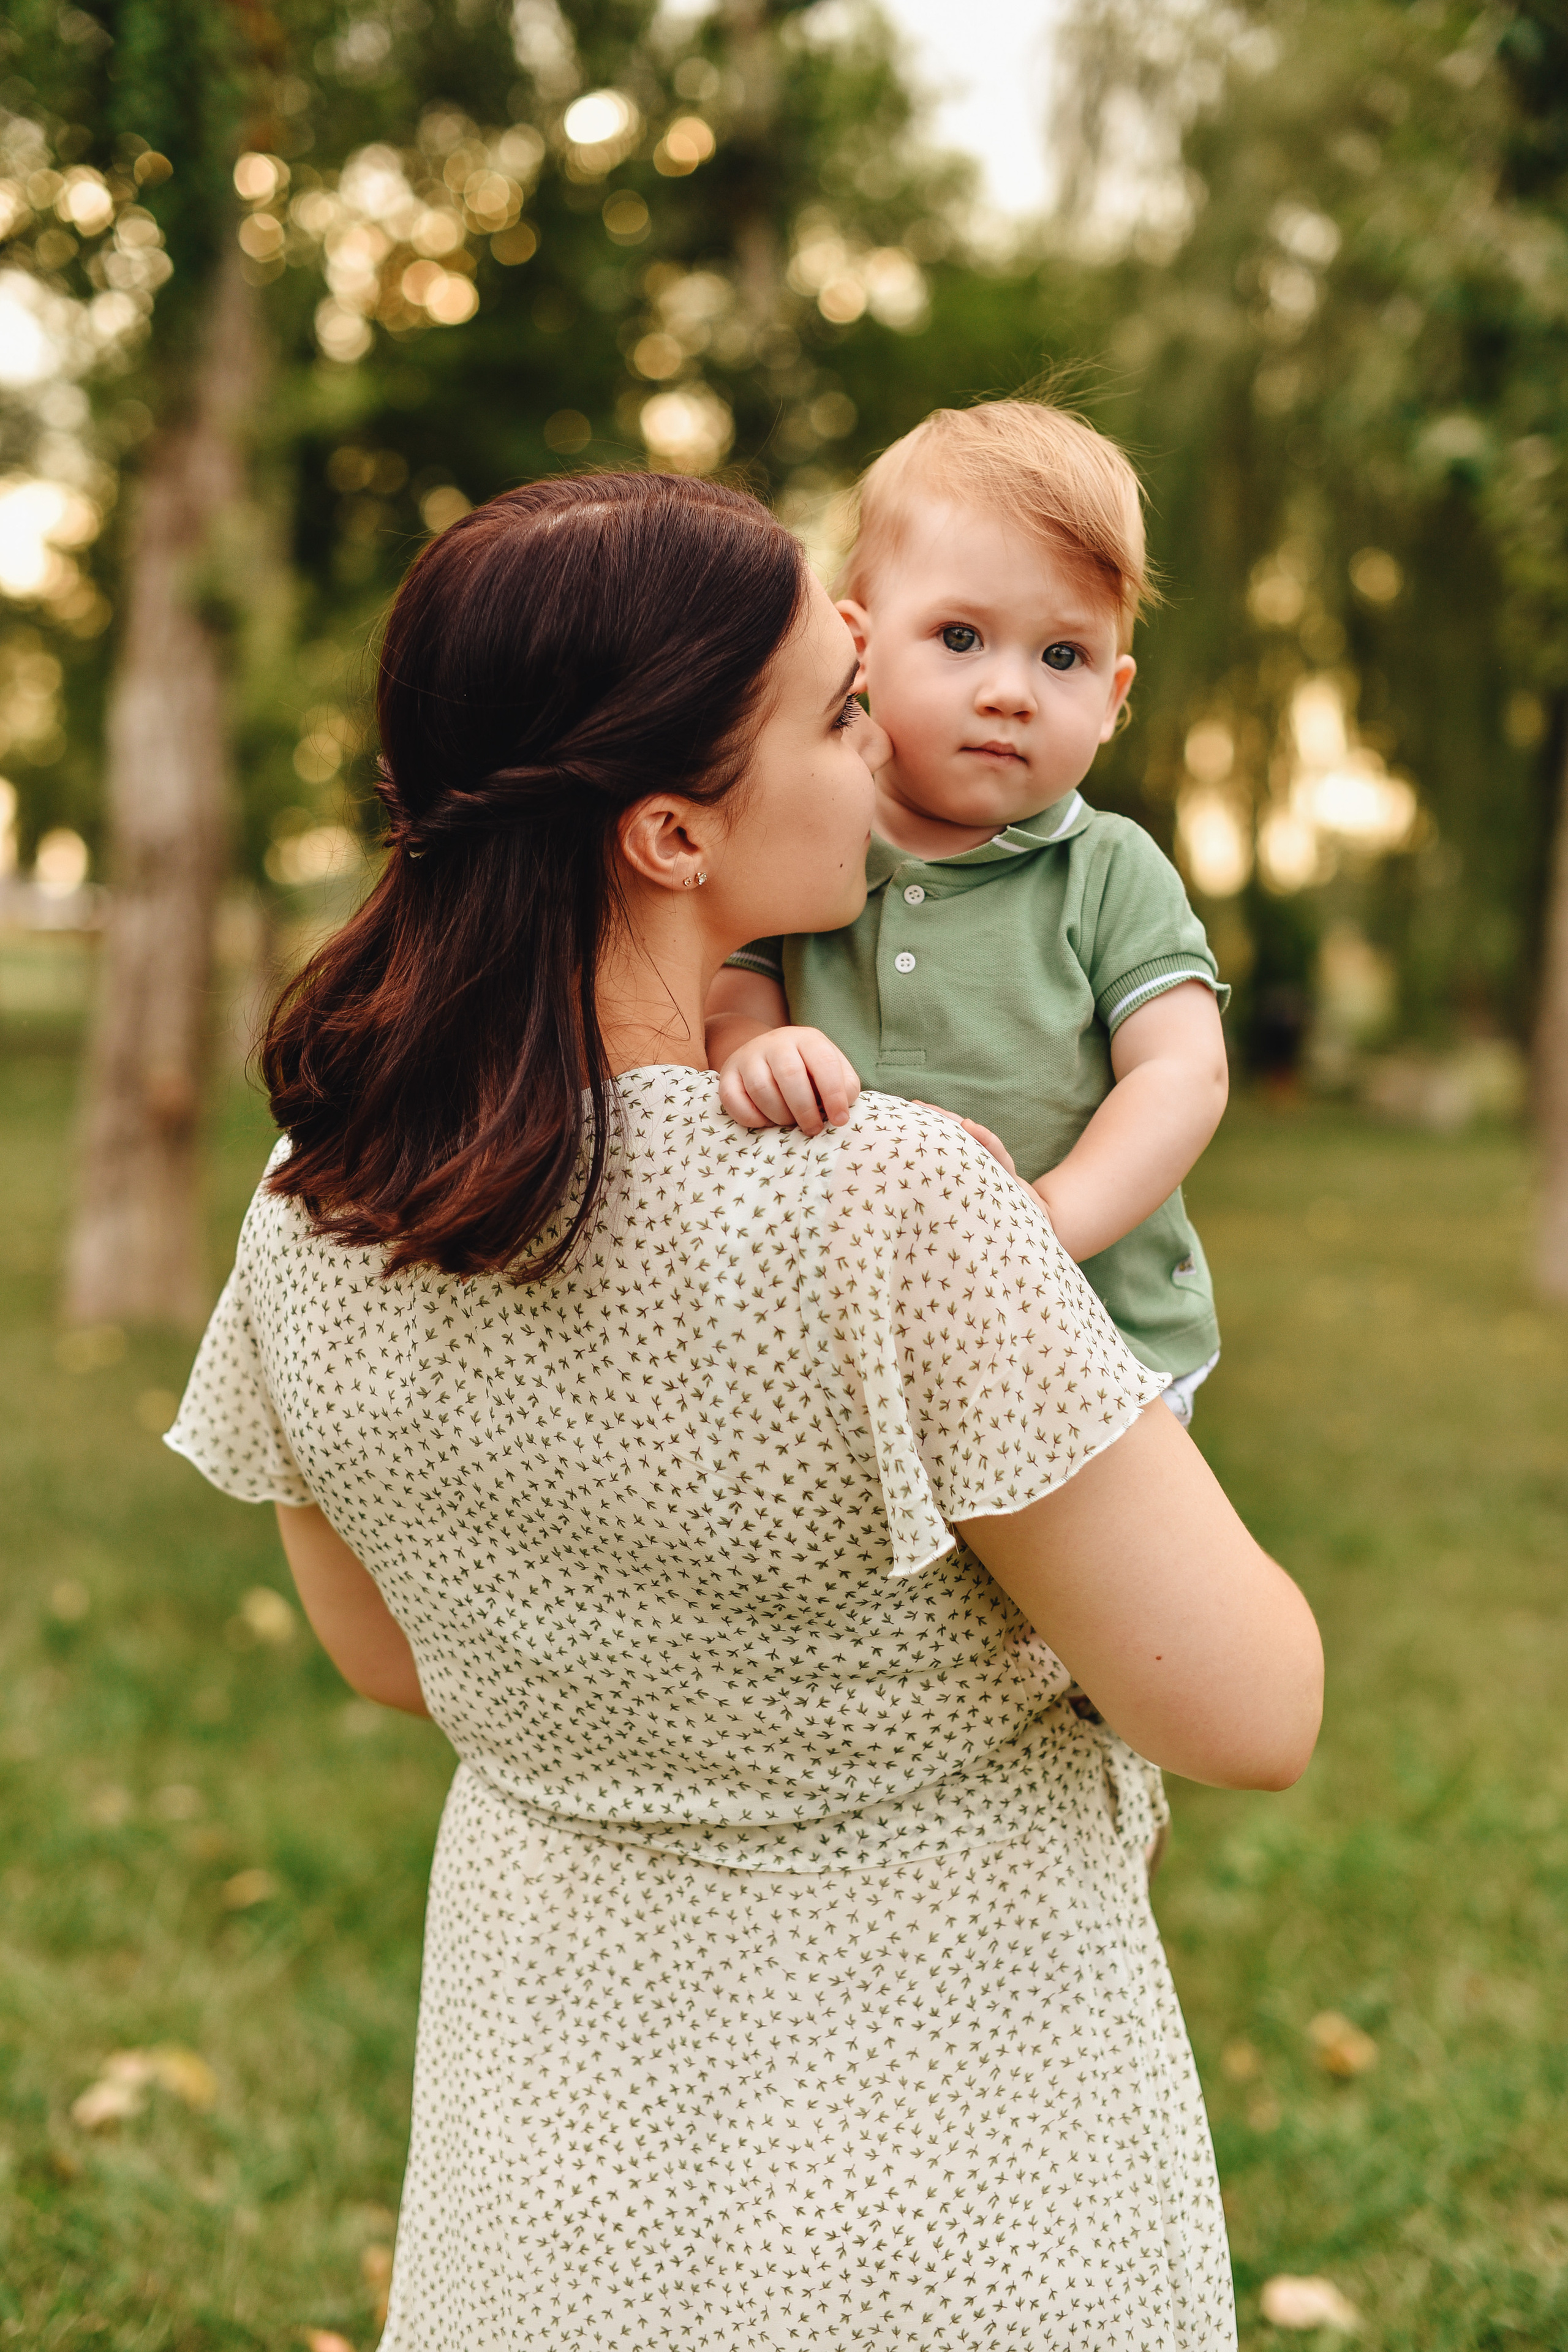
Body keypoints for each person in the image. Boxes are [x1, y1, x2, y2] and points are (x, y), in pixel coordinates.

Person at [165, 471, 1322, 2352]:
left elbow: (386, 1654)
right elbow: (1253, 1707)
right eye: (839, 710)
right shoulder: (900, 1204)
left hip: (549, 2175)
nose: (887, 755)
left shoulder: (330, 1195)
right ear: (674, 833)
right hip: (952, 2176)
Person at [706, 399, 1230, 1430]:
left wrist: (1046, 1222)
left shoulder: (1106, 868)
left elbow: (1183, 1072)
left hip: (1088, 1337)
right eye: (960, 637)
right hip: (849, 1336)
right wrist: (755, 1045)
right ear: (857, 647)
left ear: (1117, 695)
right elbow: (735, 980)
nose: (1010, 693)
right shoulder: (813, 844)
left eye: (1063, 658)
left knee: (1086, 1589)